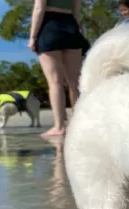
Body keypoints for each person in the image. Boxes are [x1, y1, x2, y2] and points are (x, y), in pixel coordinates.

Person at [28, 0, 90, 137]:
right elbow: (76, 12)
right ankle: (79, 123)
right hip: (71, 27)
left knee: (55, 82)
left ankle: (60, 126)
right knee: (75, 82)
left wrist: (32, 37)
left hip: (49, 27)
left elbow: (39, 9)